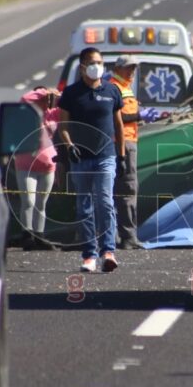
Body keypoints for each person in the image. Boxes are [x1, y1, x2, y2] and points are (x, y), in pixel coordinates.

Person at [57, 47, 125, 273]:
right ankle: (89, 255)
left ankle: (108, 252)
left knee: (105, 202)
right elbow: (63, 126)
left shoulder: (112, 91)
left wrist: (122, 156)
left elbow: (119, 125)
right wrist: (69, 146)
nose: (97, 66)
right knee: (84, 207)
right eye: (92, 62)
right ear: (83, 67)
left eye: (100, 62)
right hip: (81, 158)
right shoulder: (71, 93)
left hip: (106, 156)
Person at [108, 54, 161, 250]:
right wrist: (139, 115)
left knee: (122, 189)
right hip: (122, 142)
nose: (132, 71)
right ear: (118, 68)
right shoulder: (114, 87)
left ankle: (121, 235)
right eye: (129, 67)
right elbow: (116, 117)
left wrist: (141, 116)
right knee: (127, 188)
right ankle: (128, 237)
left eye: (134, 67)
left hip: (127, 141)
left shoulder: (124, 87)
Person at [8, 86, 61, 250]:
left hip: (48, 164)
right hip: (26, 163)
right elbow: (26, 98)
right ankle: (27, 234)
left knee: (41, 203)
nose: (46, 102)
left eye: (47, 99)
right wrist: (44, 93)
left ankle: (39, 235)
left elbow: (68, 103)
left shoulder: (53, 114)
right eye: (42, 99)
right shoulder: (27, 114)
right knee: (28, 201)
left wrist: (58, 95)